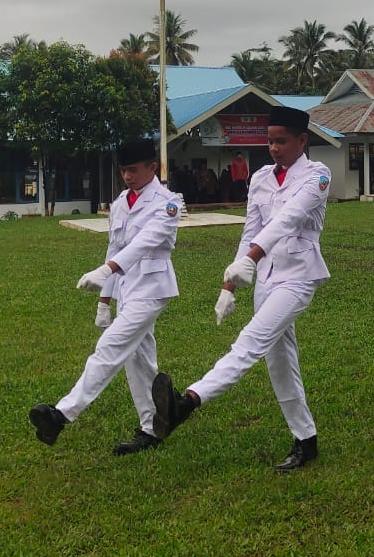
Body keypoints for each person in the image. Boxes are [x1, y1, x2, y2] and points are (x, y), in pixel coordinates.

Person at [150, 106, 330, 472]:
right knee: (280, 361)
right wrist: (230, 283)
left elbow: (289, 218)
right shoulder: (261, 177)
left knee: (250, 343)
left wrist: (250, 258)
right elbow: (251, 228)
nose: (274, 148)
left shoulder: (317, 175)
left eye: (282, 141)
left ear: (302, 141)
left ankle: (187, 403)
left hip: (298, 276)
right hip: (265, 276)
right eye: (270, 141)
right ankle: (305, 440)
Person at [28, 139, 181, 455]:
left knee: (111, 346)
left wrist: (107, 268)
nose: (127, 176)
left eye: (133, 169)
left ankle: (61, 414)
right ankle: (159, 421)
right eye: (123, 169)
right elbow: (115, 246)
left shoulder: (168, 203)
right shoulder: (121, 202)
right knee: (138, 361)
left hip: (152, 288)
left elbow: (144, 244)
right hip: (127, 289)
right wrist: (104, 301)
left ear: (153, 168)